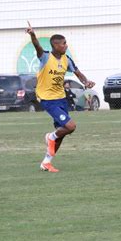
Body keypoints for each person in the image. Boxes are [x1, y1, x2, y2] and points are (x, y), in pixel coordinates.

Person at [26, 22, 95, 173]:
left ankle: (46, 162)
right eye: (63, 44)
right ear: (55, 45)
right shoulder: (45, 57)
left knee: (62, 133)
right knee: (71, 126)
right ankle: (50, 136)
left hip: (61, 98)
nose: (66, 46)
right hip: (47, 99)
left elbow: (77, 73)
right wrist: (32, 35)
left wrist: (86, 82)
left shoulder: (66, 59)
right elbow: (37, 46)